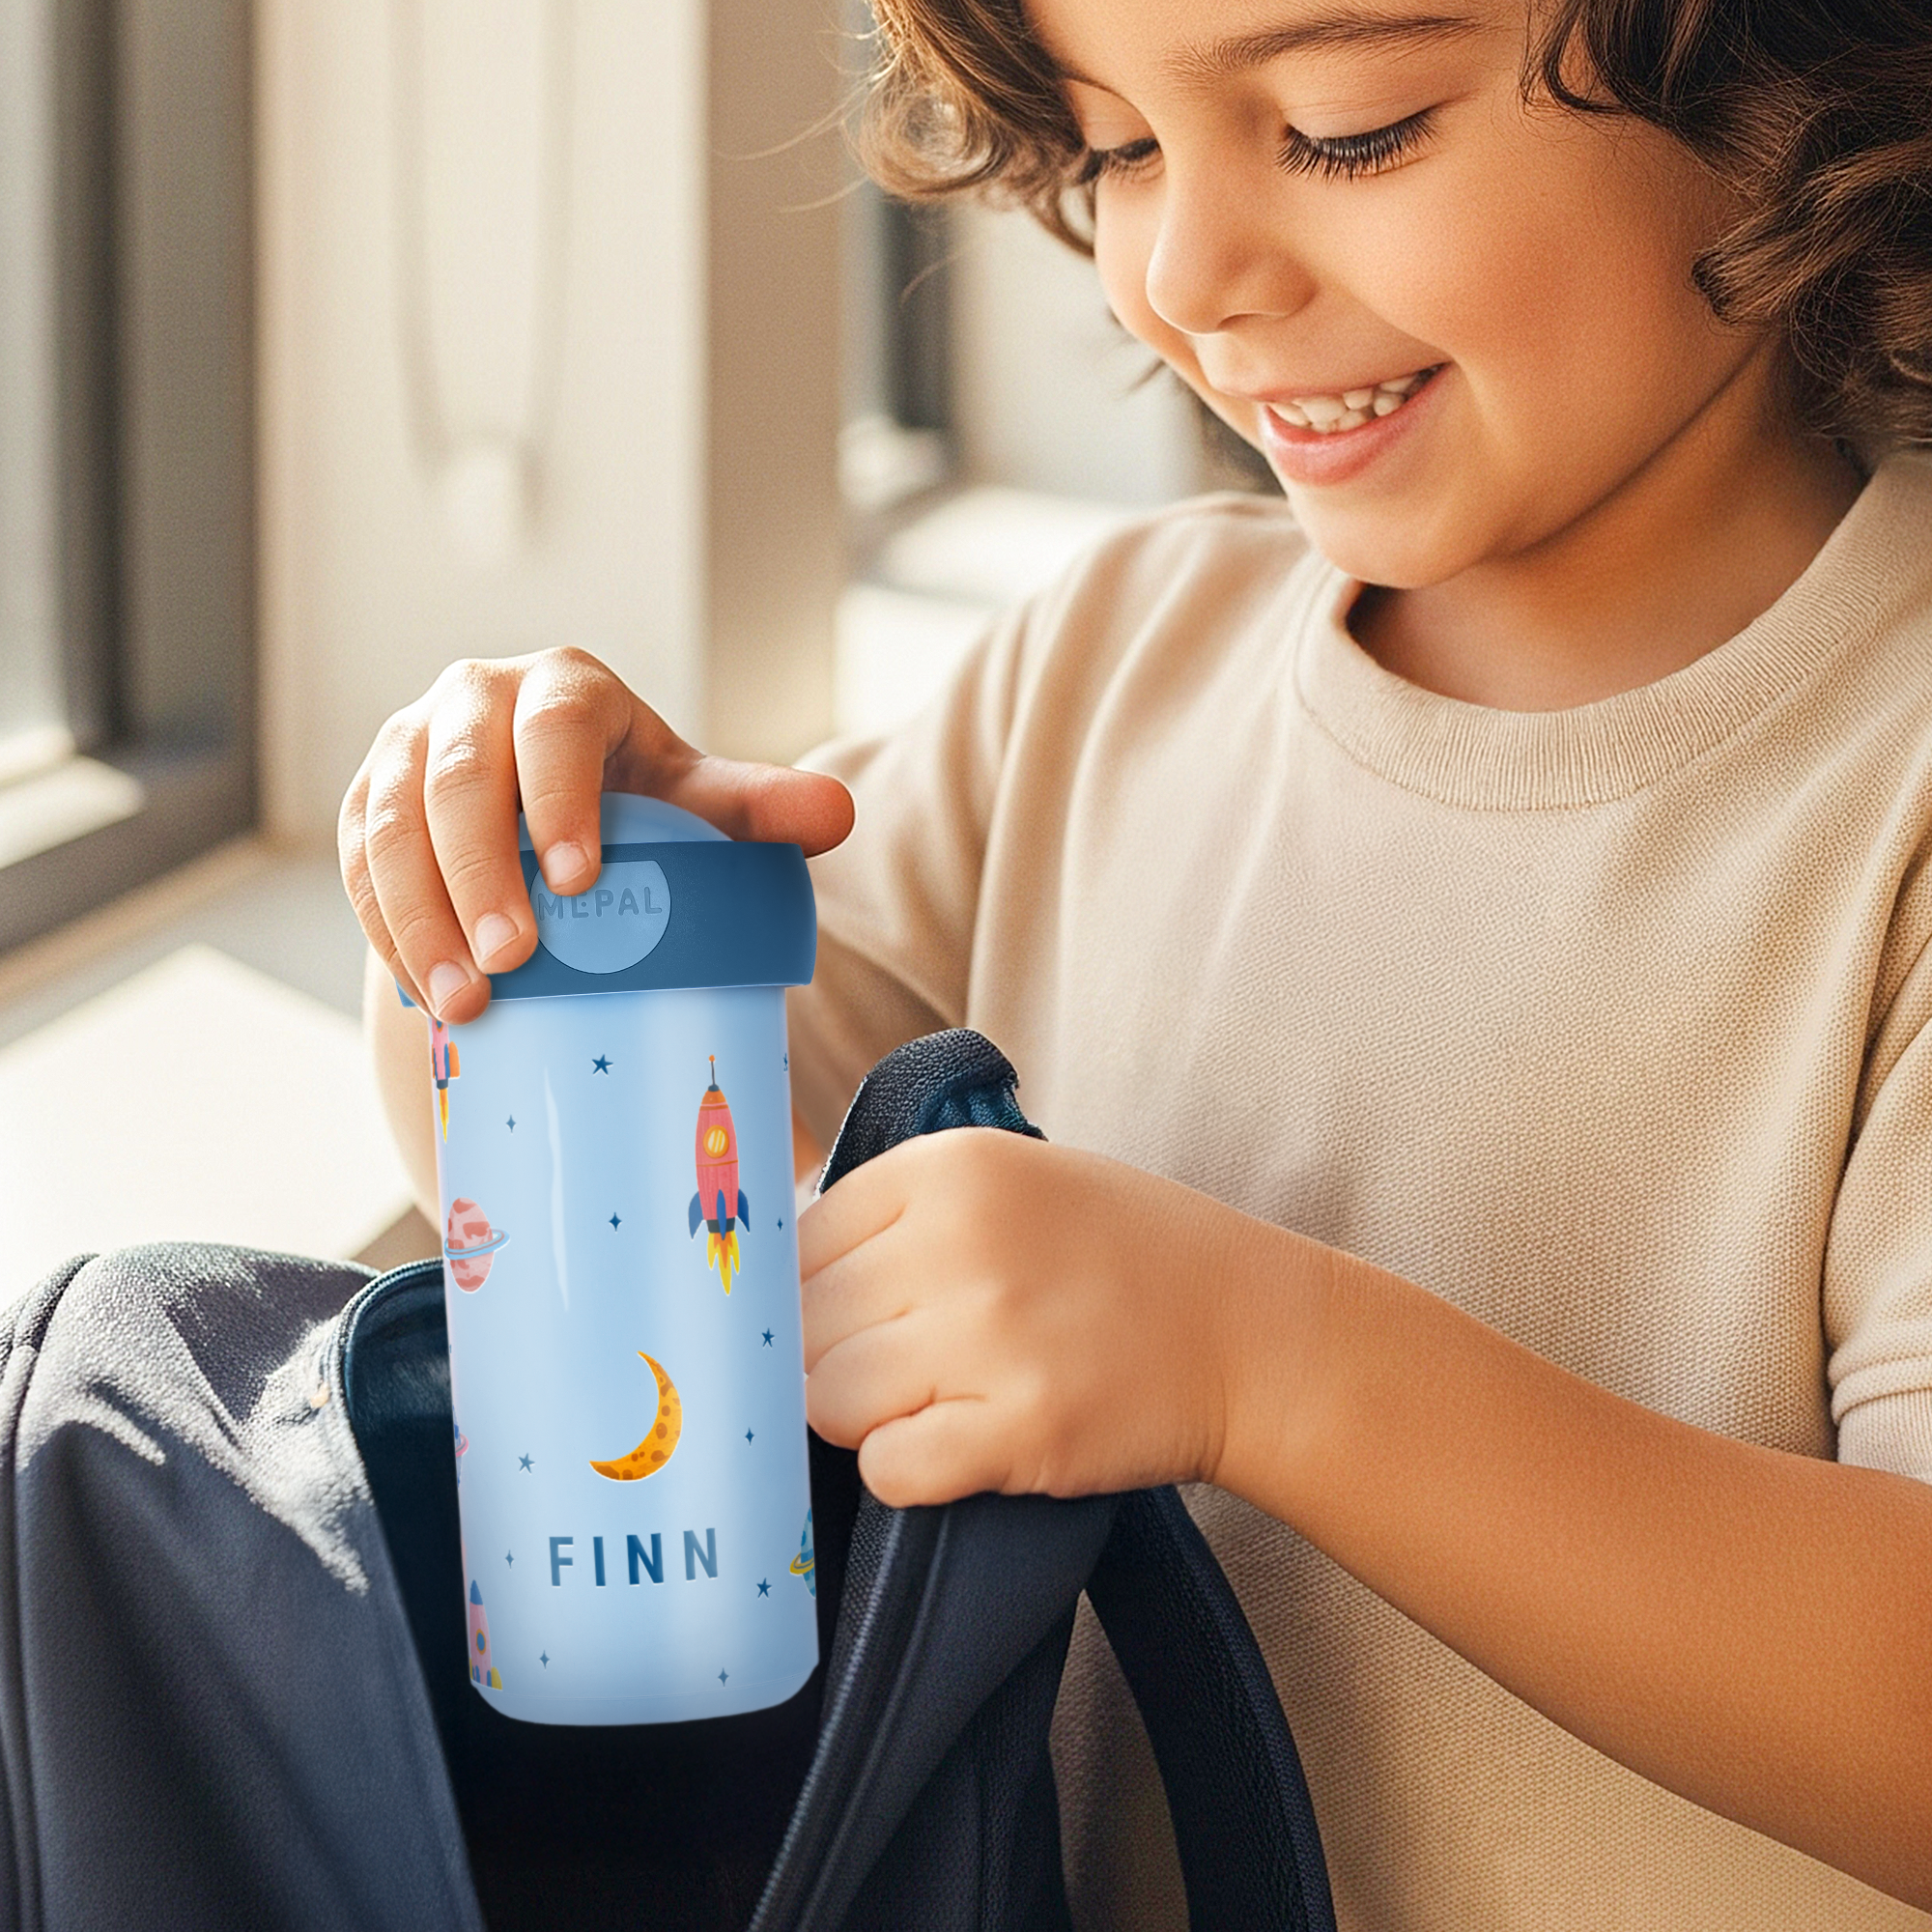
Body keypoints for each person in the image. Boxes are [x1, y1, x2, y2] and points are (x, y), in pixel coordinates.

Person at [339, 0, 1932, 1923]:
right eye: (1114, 151)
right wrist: (535, 908)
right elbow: (638, 1274)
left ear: (1785, 85)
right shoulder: (1101, 663)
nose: (1186, 275)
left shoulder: (1889, 778)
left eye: (1346, 132)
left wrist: (1268, 1363)